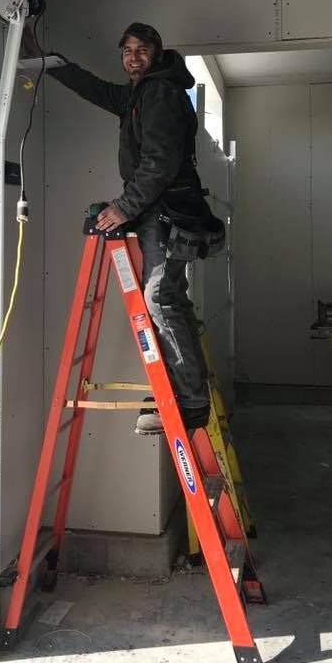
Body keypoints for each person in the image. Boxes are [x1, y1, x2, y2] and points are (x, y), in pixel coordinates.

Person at [48, 22, 216, 435]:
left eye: (142, 49)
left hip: (168, 212)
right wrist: (49, 62)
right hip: (160, 212)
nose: (133, 56)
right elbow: (97, 90)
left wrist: (124, 207)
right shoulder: (141, 93)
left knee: (160, 301)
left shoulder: (160, 94)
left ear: (156, 52)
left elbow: (160, 162)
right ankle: (181, 391)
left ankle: (190, 403)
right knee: (170, 300)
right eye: (127, 50)